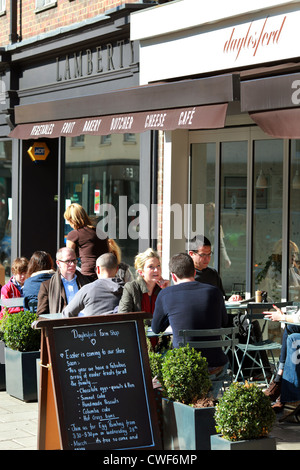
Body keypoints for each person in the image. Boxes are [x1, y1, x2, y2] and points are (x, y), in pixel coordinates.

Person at [151, 253, 228, 374]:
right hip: (215, 365)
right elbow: (225, 322)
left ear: (173, 277)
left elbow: (156, 328)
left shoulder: (166, 295)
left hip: (185, 366)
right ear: (194, 273)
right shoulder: (215, 292)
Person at [62, 253, 124, 317]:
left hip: (95, 326)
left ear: (98, 269)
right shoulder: (127, 290)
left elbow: (67, 313)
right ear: (117, 269)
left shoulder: (88, 289)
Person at [37, 247, 90, 315]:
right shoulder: (47, 286)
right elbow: (42, 315)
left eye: (74, 261)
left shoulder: (87, 282)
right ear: (58, 263)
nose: (72, 264)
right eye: (68, 261)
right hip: (62, 324)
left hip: (85, 323)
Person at [64, 203, 109, 281]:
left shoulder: (74, 234)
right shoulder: (100, 232)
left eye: (68, 220)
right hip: (104, 272)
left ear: (72, 219)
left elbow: (68, 257)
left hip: (87, 274)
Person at [118, 248, 168, 314]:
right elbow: (123, 315)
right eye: (151, 266)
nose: (156, 270)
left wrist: (167, 291)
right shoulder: (132, 288)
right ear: (141, 272)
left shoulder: (162, 289)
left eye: (158, 266)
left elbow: (173, 314)